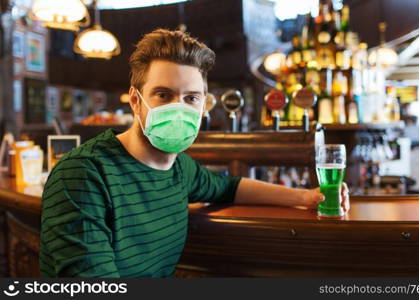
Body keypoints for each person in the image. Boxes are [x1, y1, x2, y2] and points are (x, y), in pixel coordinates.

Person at [40, 29, 349, 278]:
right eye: (163, 95)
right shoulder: (82, 174)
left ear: (203, 106)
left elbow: (230, 187)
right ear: (136, 102)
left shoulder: (180, 170)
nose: (179, 108)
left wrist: (306, 198)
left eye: (191, 97)